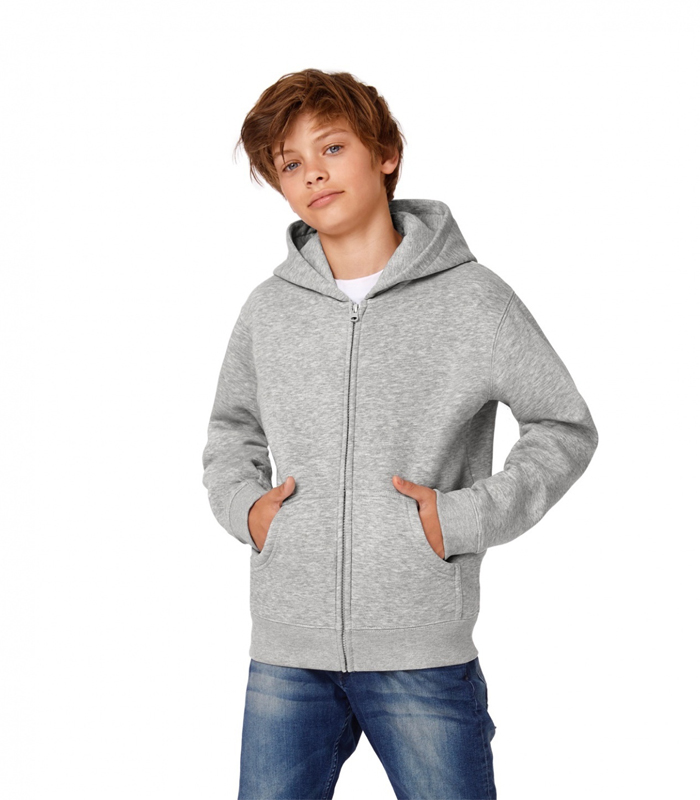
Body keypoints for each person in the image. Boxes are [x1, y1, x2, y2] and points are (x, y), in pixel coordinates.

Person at [202, 68, 599, 800]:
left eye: (332, 148)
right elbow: (231, 431)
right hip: (288, 649)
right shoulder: (269, 310)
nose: (313, 173)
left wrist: (461, 518)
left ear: (385, 153)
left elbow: (563, 426)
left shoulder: (475, 300)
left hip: (422, 652)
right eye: (290, 163)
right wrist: (250, 511)